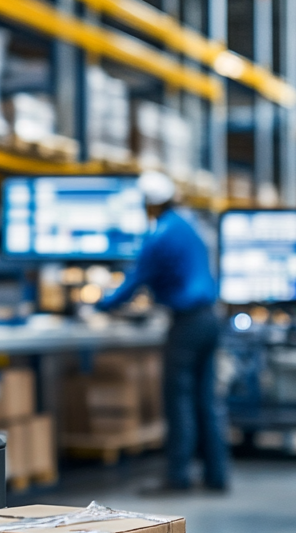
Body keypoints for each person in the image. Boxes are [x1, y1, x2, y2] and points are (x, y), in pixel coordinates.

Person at [97, 171, 227, 492]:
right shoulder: (189, 224)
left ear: (150, 204)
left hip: (187, 323)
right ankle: (217, 475)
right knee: (205, 400)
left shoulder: (161, 235)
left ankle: (178, 476)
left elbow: (134, 280)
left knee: (178, 398)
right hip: (210, 319)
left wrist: (98, 306)